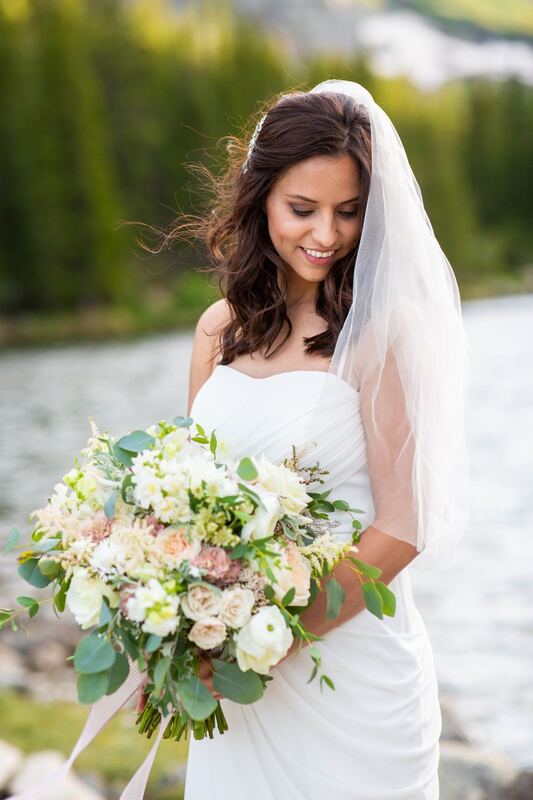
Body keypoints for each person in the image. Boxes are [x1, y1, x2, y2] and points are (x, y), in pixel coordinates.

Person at [140, 79, 469, 799]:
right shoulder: (216, 330)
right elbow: (189, 498)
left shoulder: (379, 334)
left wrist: (266, 641)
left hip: (344, 673)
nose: (325, 235)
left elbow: (404, 524)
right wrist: (173, 632)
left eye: (348, 212)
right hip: (237, 680)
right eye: (302, 209)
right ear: (260, 198)